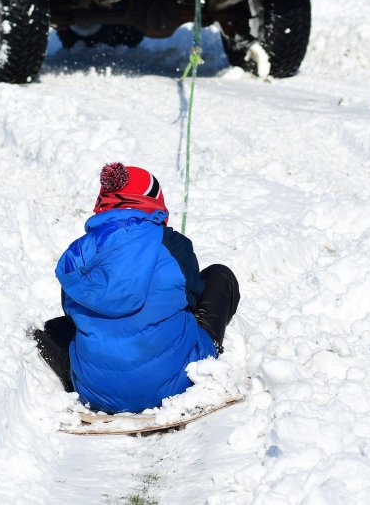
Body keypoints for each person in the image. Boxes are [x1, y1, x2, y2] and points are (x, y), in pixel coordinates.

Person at [33, 162, 240, 414]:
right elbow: (192, 300)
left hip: (95, 393)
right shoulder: (172, 244)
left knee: (58, 327)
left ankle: (95, 378)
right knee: (219, 276)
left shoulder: (76, 253)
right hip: (178, 383)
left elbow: (70, 311)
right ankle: (206, 358)